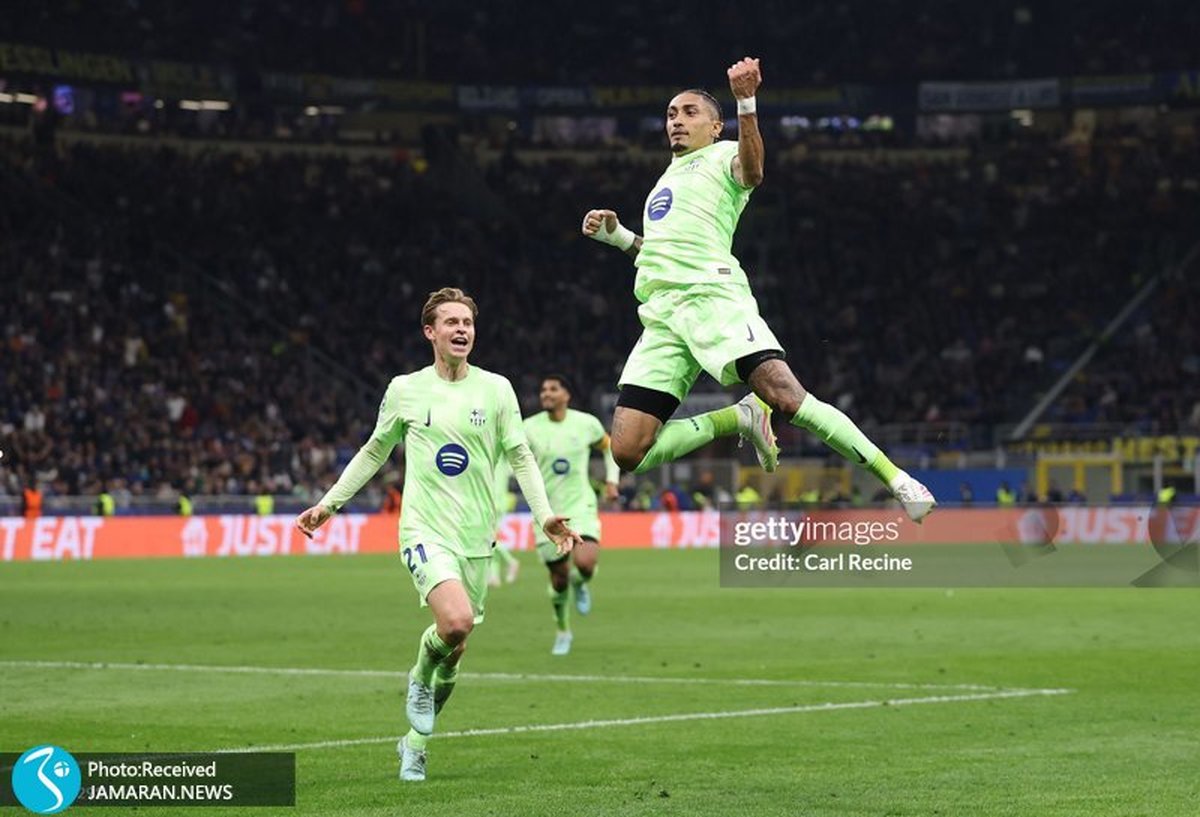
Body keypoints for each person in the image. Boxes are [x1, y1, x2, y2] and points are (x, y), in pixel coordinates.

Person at [581, 57, 935, 522]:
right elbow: (662, 253)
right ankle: (738, 417)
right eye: (670, 114)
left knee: (786, 395)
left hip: (711, 298)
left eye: (689, 112)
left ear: (715, 126)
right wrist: (620, 237)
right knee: (628, 450)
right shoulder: (664, 181)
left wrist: (746, 101)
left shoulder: (724, 154)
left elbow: (753, 172)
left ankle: (896, 478)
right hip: (663, 315)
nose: (676, 121)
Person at [294, 287, 582, 783]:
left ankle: (415, 744)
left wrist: (545, 516)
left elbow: (520, 456)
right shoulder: (405, 389)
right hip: (424, 529)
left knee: (457, 643)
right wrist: (329, 504)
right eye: (451, 322)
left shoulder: (496, 390)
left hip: (476, 537)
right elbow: (374, 450)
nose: (461, 329)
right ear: (430, 332)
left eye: (467, 322)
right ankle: (418, 678)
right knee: (455, 621)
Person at [519, 374, 619, 655]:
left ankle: (581, 581)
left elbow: (609, 447)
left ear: (567, 395)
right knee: (559, 578)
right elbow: (512, 459)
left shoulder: (586, 424)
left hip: (580, 505)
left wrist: (612, 480)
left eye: (553, 389)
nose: (546, 393)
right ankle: (563, 630)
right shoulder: (528, 428)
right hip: (546, 511)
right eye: (543, 389)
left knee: (585, 563)